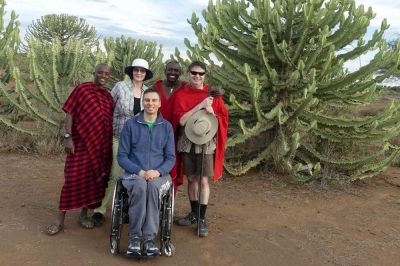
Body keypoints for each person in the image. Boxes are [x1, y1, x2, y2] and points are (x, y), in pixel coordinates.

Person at [46, 64, 114, 235]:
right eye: (100, 72)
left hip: (100, 147)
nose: (103, 76)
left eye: (107, 73)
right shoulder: (82, 89)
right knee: (72, 179)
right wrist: (67, 137)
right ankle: (59, 220)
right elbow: (69, 112)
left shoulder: (108, 97)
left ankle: (84, 215)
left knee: (93, 181)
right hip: (80, 143)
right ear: (94, 73)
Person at [164, 61, 228, 237]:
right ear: (189, 73)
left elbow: (222, 117)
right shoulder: (181, 95)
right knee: (191, 178)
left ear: (205, 75)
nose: (197, 76)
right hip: (187, 140)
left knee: (203, 180)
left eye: (201, 73)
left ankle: (201, 218)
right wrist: (200, 106)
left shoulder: (213, 95)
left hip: (206, 141)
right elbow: (182, 121)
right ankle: (193, 213)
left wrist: (211, 112)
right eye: (194, 73)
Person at [91, 58, 153, 226]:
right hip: (118, 137)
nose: (139, 73)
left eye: (142, 70)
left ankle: (126, 209)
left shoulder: (148, 92)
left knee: (135, 175)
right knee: (116, 173)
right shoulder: (120, 86)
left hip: (138, 141)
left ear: (146, 74)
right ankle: (100, 210)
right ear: (131, 71)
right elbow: (107, 106)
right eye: (136, 70)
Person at [117, 88, 175, 256]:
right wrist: (140, 171)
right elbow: (122, 156)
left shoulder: (166, 127)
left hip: (159, 175)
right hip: (134, 174)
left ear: (159, 104)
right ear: (143, 102)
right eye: (147, 100)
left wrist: (158, 172)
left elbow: (170, 158)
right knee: (141, 186)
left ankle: (149, 239)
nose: (150, 103)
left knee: (153, 188)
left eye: (154, 100)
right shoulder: (131, 125)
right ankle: (135, 238)